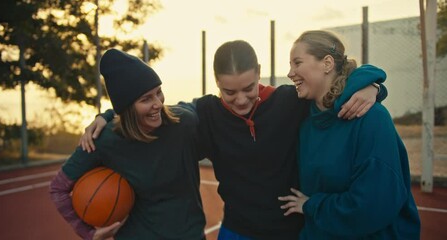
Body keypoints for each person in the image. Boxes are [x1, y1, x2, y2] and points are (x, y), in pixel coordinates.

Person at [80, 40, 386, 239]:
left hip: (291, 231)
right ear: (216, 84)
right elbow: (154, 112)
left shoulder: (289, 102)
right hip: (237, 231)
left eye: (248, 88)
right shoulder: (205, 113)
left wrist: (371, 85)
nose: (240, 99)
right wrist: (107, 115)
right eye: (229, 92)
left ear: (260, 74)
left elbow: (332, 87)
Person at [49, 49, 206, 240]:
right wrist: (88, 233)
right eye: (146, 99)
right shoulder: (103, 139)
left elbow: (207, 105)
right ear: (127, 107)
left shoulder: (183, 122)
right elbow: (59, 188)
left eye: (159, 92)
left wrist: (105, 115)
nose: (158, 103)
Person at [278, 30, 420, 239]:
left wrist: (312, 205)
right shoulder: (305, 121)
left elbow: (372, 206)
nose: (290, 73)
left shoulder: (371, 118)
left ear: (327, 64)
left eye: (297, 63)